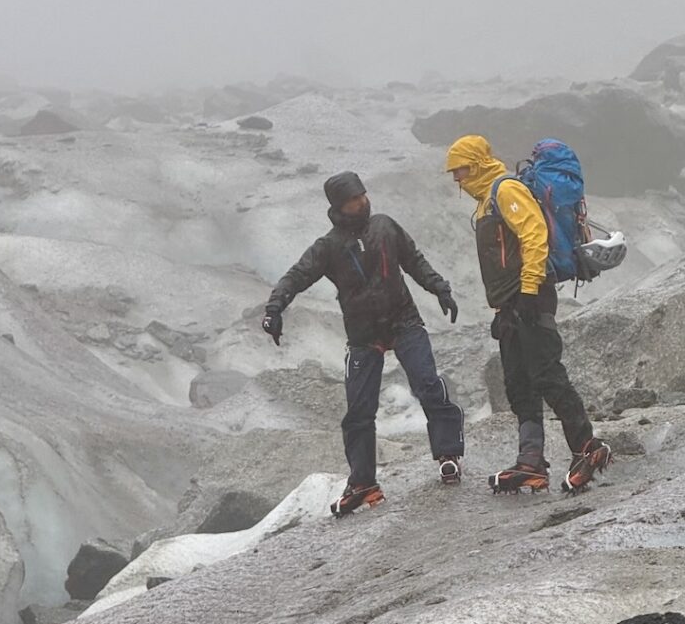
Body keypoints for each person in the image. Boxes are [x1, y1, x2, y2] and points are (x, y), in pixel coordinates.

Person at [262, 171, 465, 517]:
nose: (363, 201)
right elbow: (297, 276)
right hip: (362, 334)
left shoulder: (385, 227)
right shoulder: (328, 246)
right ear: (340, 205)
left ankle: (449, 456)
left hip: (404, 321)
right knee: (358, 412)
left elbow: (414, 261)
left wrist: (440, 288)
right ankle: (363, 483)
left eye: (363, 195)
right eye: (355, 199)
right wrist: (274, 308)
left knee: (428, 384)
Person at [444, 135, 611, 494]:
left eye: (459, 170)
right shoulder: (486, 201)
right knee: (519, 383)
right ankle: (531, 461)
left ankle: (588, 448)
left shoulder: (505, 190)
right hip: (509, 303)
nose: (456, 178)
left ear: (474, 164)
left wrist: (532, 288)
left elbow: (534, 232)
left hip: (530, 296)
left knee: (547, 373)